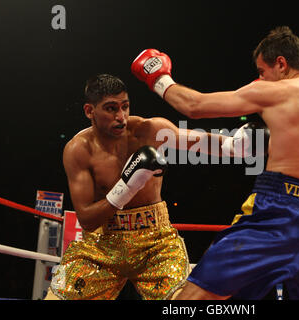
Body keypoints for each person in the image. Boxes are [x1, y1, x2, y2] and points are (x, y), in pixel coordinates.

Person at [131, 26, 299, 300]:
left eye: (262, 71)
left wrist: (158, 78)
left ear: (281, 64)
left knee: (193, 299)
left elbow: (195, 106)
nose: (260, 79)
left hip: (279, 210)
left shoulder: (276, 92)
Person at [45, 74, 245, 300]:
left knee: (184, 303)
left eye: (125, 107)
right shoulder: (78, 150)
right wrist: (127, 187)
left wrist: (236, 144)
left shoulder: (149, 130)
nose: (120, 117)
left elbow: (198, 142)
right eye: (111, 109)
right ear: (90, 111)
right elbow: (87, 220)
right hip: (103, 244)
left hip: (156, 242)